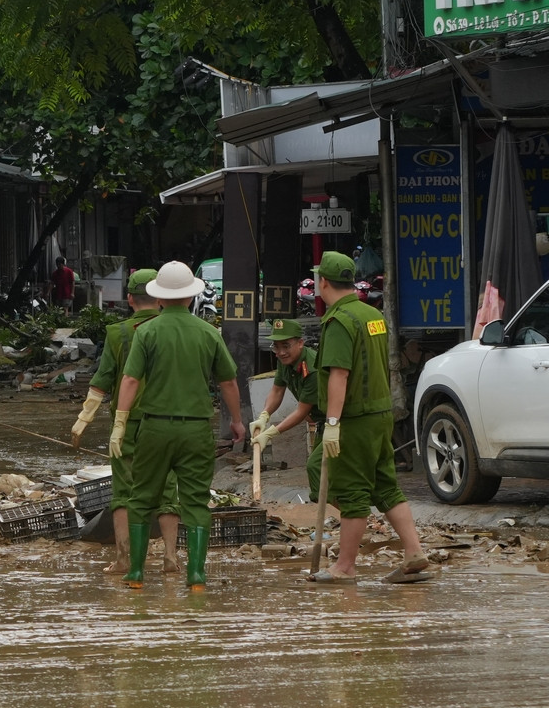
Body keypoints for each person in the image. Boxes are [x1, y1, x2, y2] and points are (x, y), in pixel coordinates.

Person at [110, 261, 245, 591]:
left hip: (154, 428)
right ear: (190, 297)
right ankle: (196, 575)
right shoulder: (208, 333)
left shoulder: (147, 332)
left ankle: (136, 574)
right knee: (195, 502)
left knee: (141, 498)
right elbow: (228, 381)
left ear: (159, 298)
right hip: (197, 429)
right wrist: (238, 422)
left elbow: (129, 379)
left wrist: (120, 423)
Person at [307, 251, 429, 585]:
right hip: (380, 414)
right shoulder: (372, 315)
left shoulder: (339, 321)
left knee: (354, 491)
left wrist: (332, 424)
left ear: (324, 282)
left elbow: (339, 375)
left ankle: (345, 566)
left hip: (355, 419)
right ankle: (413, 551)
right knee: (386, 486)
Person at [71, 268, 181, 576]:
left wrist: (84, 417)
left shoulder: (117, 333)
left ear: (129, 299)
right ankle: (171, 558)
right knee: (167, 489)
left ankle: (124, 559)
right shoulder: (175, 328)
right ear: (160, 298)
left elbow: (103, 379)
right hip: (166, 422)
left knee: (124, 491)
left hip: (127, 423)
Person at [250, 318, 324, 493]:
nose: (281, 352)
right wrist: (264, 415)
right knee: (322, 475)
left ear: (300, 343)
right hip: (322, 424)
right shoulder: (285, 361)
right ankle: (342, 515)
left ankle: (353, 514)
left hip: (339, 423)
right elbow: (277, 391)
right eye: (276, 346)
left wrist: (271, 433)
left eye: (286, 345)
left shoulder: (311, 368)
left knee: (316, 467)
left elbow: (300, 412)